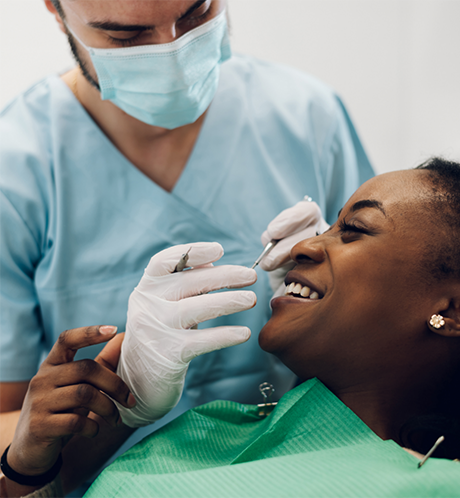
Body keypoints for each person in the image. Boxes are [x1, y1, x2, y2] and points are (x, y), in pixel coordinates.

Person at [0, 0, 374, 491]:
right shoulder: (17, 170)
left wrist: (337, 308)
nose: (173, 52)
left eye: (196, 13)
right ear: (55, 9)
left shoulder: (307, 116)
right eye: (125, 37)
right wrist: (114, 400)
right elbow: (13, 427)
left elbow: (395, 349)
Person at [3, 158, 460, 497]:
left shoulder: (454, 488)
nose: (303, 246)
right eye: (327, 227)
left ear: (457, 311)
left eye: (354, 230)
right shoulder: (208, 429)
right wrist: (28, 467)